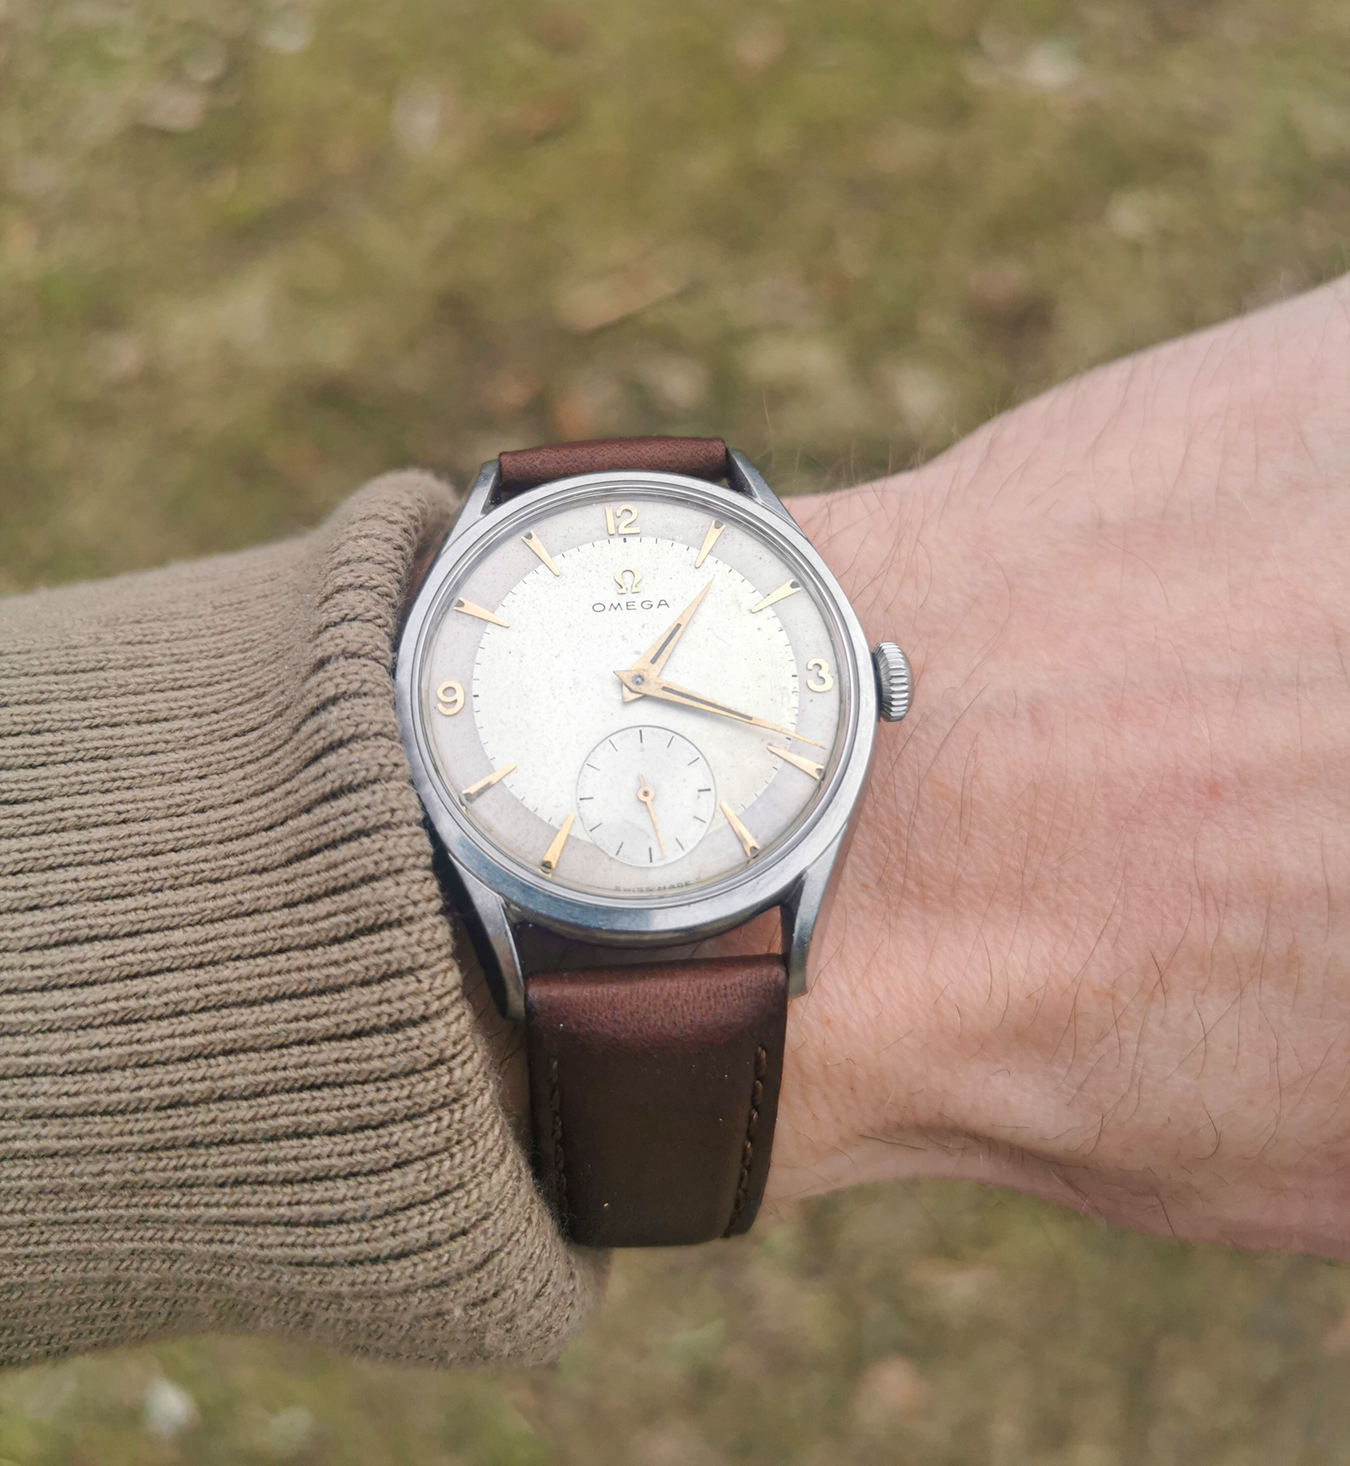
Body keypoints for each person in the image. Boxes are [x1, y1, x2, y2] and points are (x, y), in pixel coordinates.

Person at [3, 276, 1347, 1369]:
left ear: (874, 682)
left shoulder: (808, 734)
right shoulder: (502, 729)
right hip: (519, 896)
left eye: (647, 676)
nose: (638, 685)